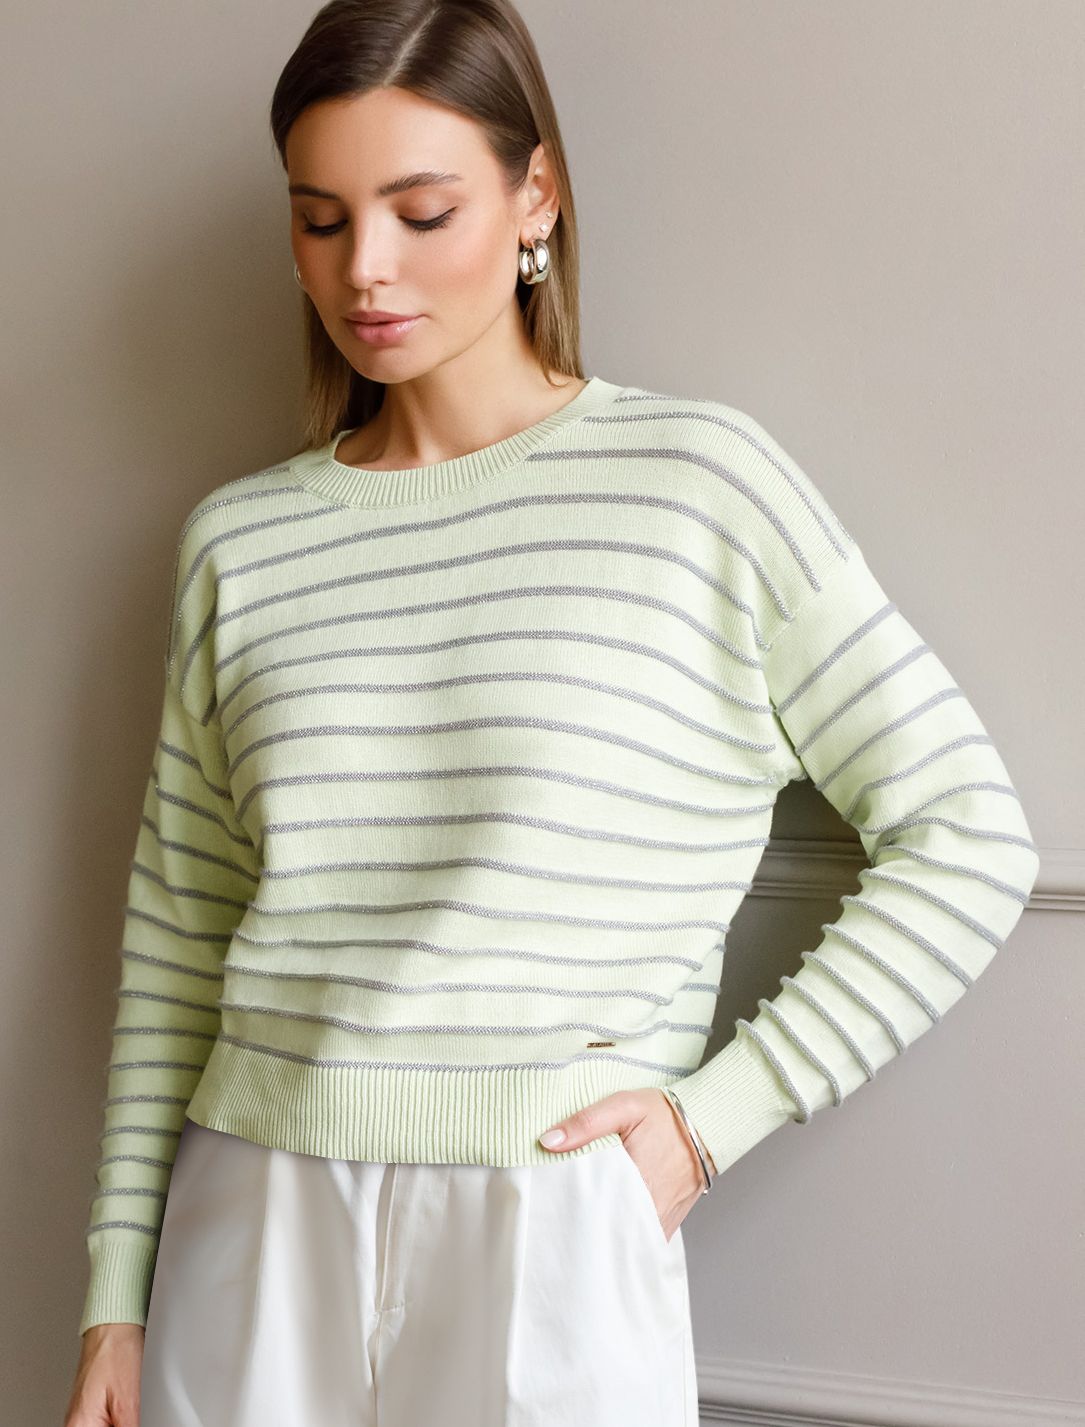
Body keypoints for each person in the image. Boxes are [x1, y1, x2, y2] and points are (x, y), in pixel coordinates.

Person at [64, 2, 1040, 1425]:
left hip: (554, 1218)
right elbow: (176, 944)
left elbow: (968, 836)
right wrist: (116, 1298)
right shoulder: (241, 542)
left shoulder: (701, 490)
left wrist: (708, 1124)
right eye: (320, 220)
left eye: (422, 212)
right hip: (248, 1217)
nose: (365, 268)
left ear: (537, 198)